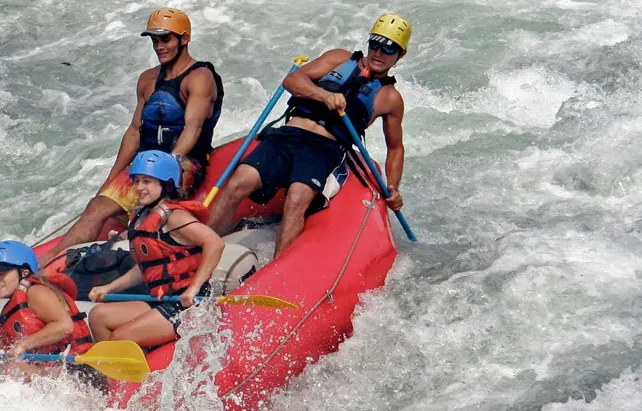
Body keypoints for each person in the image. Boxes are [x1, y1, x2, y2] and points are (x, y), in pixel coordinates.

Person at [207, 13, 411, 255]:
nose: (379, 53)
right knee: (238, 183)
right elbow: (293, 80)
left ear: (401, 54)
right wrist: (324, 96)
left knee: (297, 198)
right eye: (375, 44)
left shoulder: (390, 98)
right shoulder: (339, 58)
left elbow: (395, 148)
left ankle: (277, 271)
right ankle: (202, 248)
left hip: (324, 150)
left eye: (388, 49)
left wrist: (393, 187)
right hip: (288, 135)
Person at [41, 6, 223, 264]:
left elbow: (192, 128)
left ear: (184, 39)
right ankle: (49, 263)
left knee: (150, 211)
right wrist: (112, 176)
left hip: (183, 163)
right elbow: (135, 130)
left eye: (166, 39)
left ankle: (137, 239)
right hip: (145, 162)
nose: (159, 46)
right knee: (96, 206)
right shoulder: (147, 79)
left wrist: (166, 167)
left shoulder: (200, 77)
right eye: (155, 40)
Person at [86, 151, 225, 347]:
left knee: (120, 337)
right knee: (98, 316)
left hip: (187, 303)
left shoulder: (175, 217)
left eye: (147, 181)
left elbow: (215, 243)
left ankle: (127, 363)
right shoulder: (143, 217)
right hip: (161, 297)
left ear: (166, 184)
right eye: (136, 181)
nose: (139, 187)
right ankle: (115, 366)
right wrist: (109, 288)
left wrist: (194, 287)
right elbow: (148, 268)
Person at [0, 240, 94, 359]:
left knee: (12, 367)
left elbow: (64, 326)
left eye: (2, 274)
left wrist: (23, 345)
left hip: (76, 362)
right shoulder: (16, 302)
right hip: (51, 364)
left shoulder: (35, 292)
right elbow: (8, 347)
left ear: (24, 273)